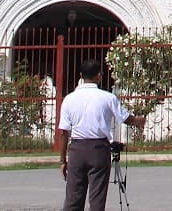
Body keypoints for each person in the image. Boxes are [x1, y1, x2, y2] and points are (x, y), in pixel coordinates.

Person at [56, 57, 144, 211]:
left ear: (81, 76)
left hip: (77, 150)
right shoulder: (107, 98)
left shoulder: (69, 99)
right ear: (98, 75)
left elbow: (63, 133)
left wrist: (63, 160)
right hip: (98, 149)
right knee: (97, 197)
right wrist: (139, 121)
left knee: (73, 198)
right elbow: (126, 118)